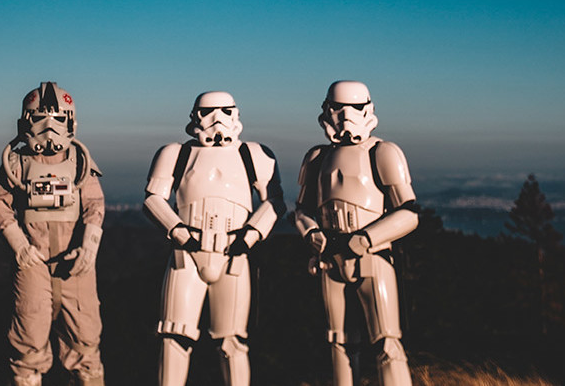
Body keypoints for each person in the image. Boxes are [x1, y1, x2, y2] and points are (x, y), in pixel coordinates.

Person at [143, 91, 285, 386]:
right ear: (195, 116)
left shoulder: (254, 154)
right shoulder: (175, 153)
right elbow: (153, 199)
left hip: (233, 254)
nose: (217, 120)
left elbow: (274, 202)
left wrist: (251, 234)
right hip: (187, 254)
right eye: (208, 112)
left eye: (224, 112)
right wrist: (178, 231)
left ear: (235, 114)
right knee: (174, 336)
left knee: (232, 341)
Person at [293, 81, 419, 386]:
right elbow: (301, 210)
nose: (345, 116)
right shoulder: (317, 157)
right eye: (337, 108)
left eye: (354, 108)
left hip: (372, 258)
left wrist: (366, 239)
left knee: (386, 341)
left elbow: (409, 213)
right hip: (330, 260)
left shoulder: (383, 152)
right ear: (327, 111)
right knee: (339, 342)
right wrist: (312, 233)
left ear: (368, 110)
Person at [0, 82, 106, 386]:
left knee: (85, 341)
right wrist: (19, 246)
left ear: (70, 122)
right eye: (40, 119)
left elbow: (94, 205)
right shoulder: (16, 162)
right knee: (28, 343)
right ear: (26, 122)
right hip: (32, 262)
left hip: (75, 261)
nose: (49, 128)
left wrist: (89, 246)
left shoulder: (80, 161)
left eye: (57, 119)